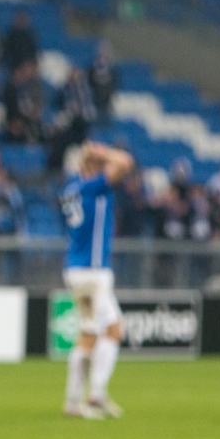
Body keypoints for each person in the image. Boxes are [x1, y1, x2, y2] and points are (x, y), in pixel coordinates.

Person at [59, 142, 134, 420]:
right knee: (89, 333)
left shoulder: (72, 188)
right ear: (91, 167)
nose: (107, 170)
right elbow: (125, 162)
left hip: (91, 270)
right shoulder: (91, 187)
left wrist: (94, 157)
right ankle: (73, 401)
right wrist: (103, 151)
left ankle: (98, 393)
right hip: (89, 274)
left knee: (114, 329)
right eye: (101, 166)